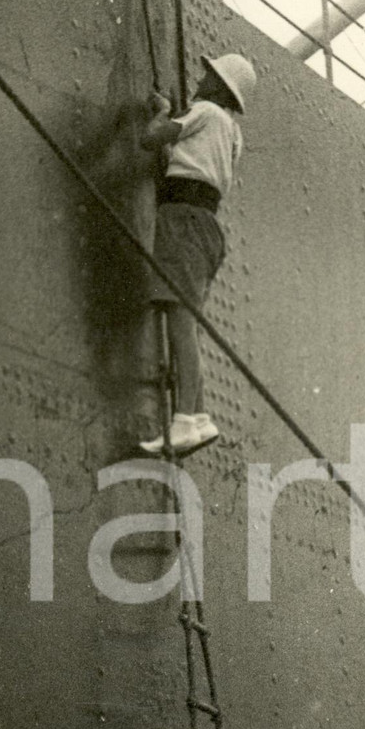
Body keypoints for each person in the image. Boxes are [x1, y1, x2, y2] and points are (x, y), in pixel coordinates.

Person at [138, 53, 256, 456]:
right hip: (206, 225)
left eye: (210, 75)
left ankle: (185, 420)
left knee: (179, 320)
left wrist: (165, 112)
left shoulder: (204, 111)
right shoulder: (234, 135)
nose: (202, 79)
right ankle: (200, 417)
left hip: (182, 220)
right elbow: (194, 163)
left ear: (221, 87)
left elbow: (150, 138)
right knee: (185, 317)